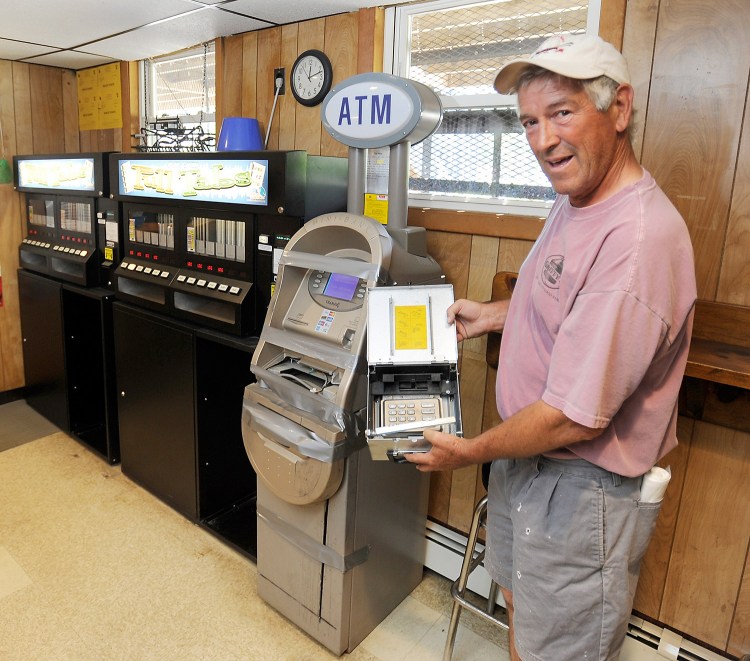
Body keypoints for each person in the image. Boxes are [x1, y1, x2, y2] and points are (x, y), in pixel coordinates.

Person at [405, 33, 697, 660]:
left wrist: (469, 453)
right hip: (530, 463)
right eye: (530, 122)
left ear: (618, 109)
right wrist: (492, 315)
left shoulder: (638, 243)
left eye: (562, 113)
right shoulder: (579, 199)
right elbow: (563, 302)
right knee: (524, 609)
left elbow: (571, 413)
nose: (542, 141)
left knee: (560, 648)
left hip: (578, 485)